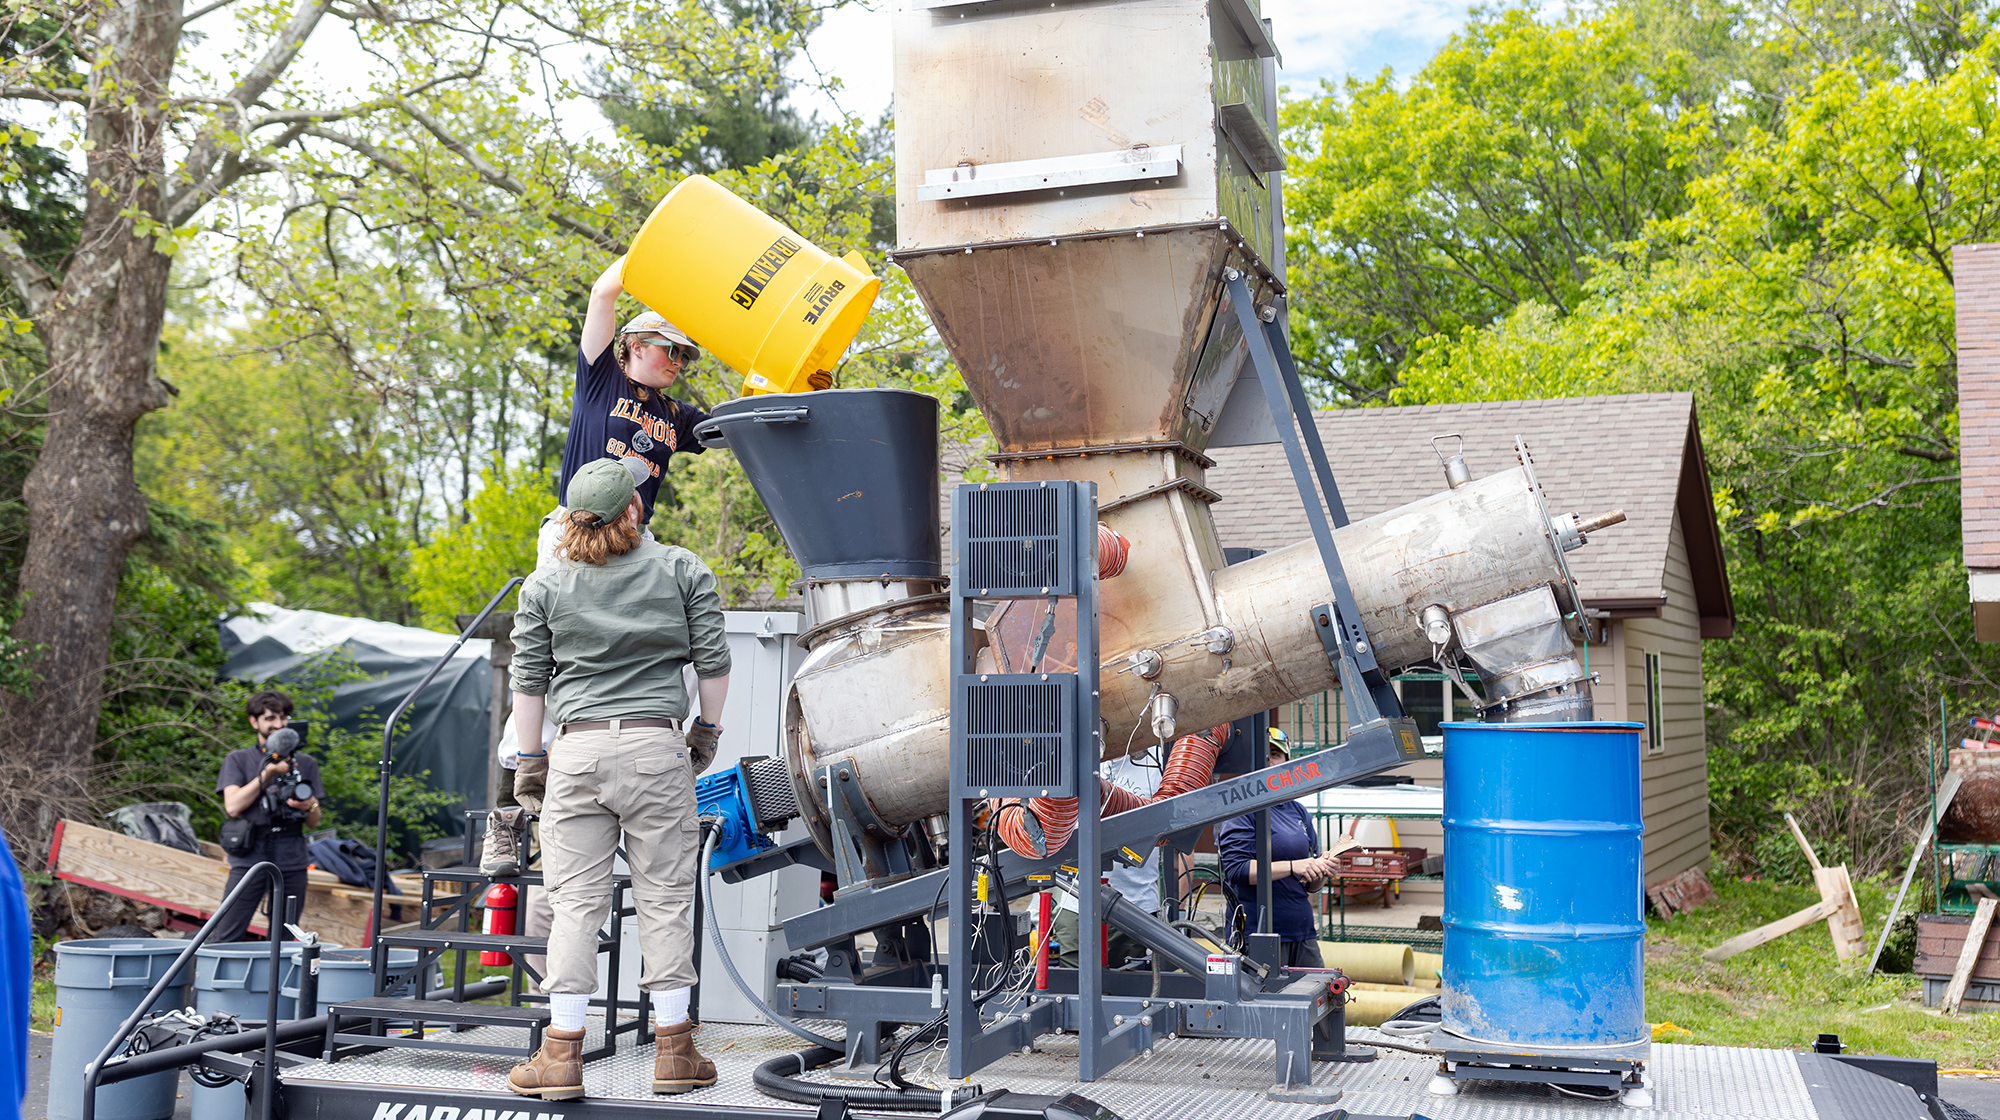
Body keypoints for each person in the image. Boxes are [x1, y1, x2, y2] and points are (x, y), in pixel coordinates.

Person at [505, 457, 732, 1101]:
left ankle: (560, 1057)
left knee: (576, 903)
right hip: (655, 746)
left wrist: (530, 760)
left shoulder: (545, 584)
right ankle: (673, 1052)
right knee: (664, 898)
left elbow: (529, 682)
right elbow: (714, 666)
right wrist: (704, 735)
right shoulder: (682, 568)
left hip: (575, 752)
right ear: (635, 509)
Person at [535, 258, 712, 566]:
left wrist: (790, 390)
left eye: (684, 357)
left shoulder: (677, 415)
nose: (678, 362)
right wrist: (656, 246)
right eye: (672, 350)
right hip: (578, 529)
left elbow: (740, 428)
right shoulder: (600, 382)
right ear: (636, 346)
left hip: (633, 538)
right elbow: (602, 292)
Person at [1214, 728, 1333, 968]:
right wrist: (1293, 866)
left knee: (1315, 998)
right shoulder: (1241, 810)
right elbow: (1237, 870)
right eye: (1263, 754)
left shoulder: (1297, 811)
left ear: (1287, 762)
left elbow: (1311, 885)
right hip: (1257, 935)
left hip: (1301, 931)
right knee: (1261, 1003)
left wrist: (1322, 871)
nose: (1270, 760)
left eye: (1276, 754)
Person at [214, 690, 325, 942]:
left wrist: (308, 806)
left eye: (284, 718)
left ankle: (275, 982)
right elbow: (232, 806)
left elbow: (314, 821)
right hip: (249, 853)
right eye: (271, 718)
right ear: (255, 722)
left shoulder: (305, 763)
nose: (279, 724)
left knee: (284, 938)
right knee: (227, 933)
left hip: (292, 855)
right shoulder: (239, 759)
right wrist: (269, 773)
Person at [1052, 745, 1166, 968]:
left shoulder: (1160, 754)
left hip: (1136, 905)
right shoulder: (1071, 747)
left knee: (1132, 993)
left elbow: (1178, 826)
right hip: (1075, 902)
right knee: (1071, 989)